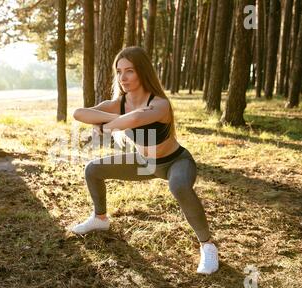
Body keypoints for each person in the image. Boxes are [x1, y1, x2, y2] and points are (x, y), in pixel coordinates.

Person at [70, 46, 219, 275]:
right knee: (93, 169)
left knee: (179, 186)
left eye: (129, 71)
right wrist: (116, 119)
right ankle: (100, 218)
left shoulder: (160, 103)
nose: (123, 77)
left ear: (142, 72)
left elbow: (139, 117)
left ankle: (207, 246)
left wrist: (107, 125)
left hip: (175, 162)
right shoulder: (119, 103)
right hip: (145, 164)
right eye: (119, 71)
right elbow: (80, 113)